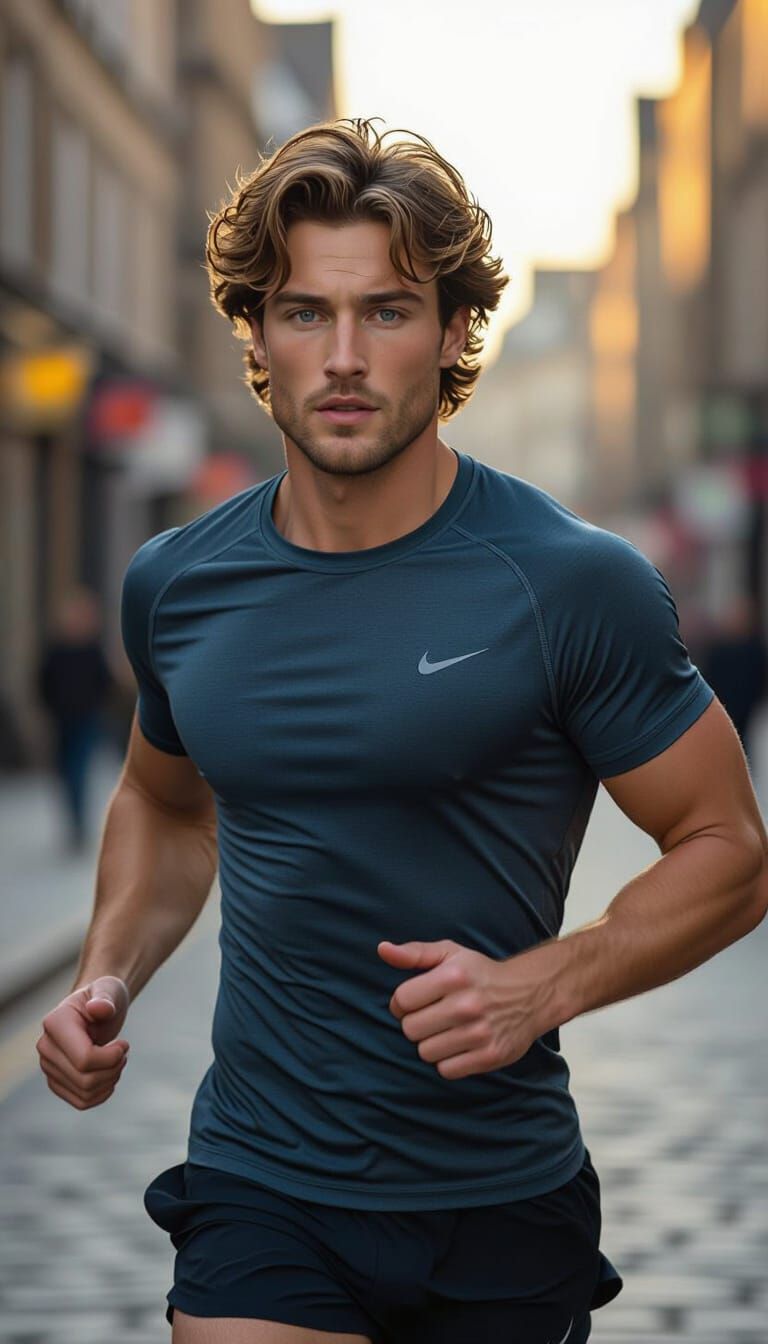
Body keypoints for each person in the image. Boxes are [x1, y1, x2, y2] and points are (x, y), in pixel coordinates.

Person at [36, 118, 767, 1344]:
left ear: (453, 332)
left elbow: (729, 847)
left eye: (386, 311)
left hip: (497, 1196)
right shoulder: (176, 583)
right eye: (307, 313)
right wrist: (105, 975)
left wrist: (547, 984)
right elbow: (165, 804)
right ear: (257, 335)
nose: (343, 356)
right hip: (260, 1184)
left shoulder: (569, 580)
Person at [37, 585, 115, 851]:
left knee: (79, 769)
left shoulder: (92, 650)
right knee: (65, 771)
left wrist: (97, 705)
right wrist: (50, 708)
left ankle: (78, 823)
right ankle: (73, 818)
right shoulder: (56, 650)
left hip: (86, 719)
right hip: (62, 719)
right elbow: (43, 682)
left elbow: (105, 682)